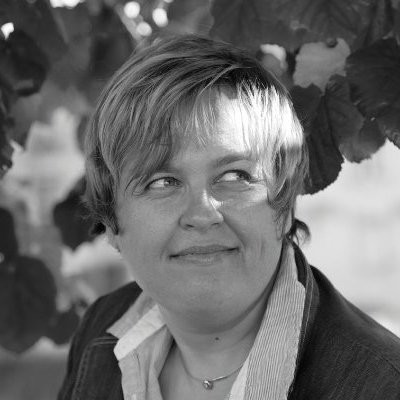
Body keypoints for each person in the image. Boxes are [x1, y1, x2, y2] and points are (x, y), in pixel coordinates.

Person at [58, 35, 400, 400]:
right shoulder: (100, 331)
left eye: (235, 176)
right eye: (162, 182)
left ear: (283, 203)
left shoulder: (382, 386)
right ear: (111, 221)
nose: (202, 214)